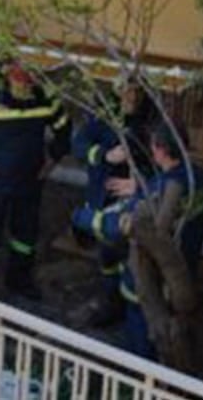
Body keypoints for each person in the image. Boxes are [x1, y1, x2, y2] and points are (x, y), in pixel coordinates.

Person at [73, 119, 203, 359]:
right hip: (184, 268)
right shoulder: (201, 179)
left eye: (153, 146)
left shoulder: (156, 195)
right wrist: (142, 186)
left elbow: (119, 226)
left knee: (142, 334)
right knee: (172, 325)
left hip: (150, 278)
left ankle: (142, 369)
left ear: (160, 150)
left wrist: (82, 217)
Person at [0, 62, 71, 299]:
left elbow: (64, 128)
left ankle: (19, 281)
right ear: (7, 75)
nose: (23, 85)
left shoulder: (46, 99)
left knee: (26, 235)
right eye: (18, 78)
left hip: (31, 180)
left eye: (28, 79)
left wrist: (53, 159)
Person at [70, 82, 157, 326]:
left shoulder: (151, 122)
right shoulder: (102, 116)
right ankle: (110, 301)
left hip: (134, 204)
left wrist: (140, 184)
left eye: (136, 92)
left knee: (131, 259)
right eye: (125, 92)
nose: (131, 98)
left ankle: (130, 310)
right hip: (101, 197)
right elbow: (78, 145)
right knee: (106, 255)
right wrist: (104, 155)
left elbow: (166, 165)